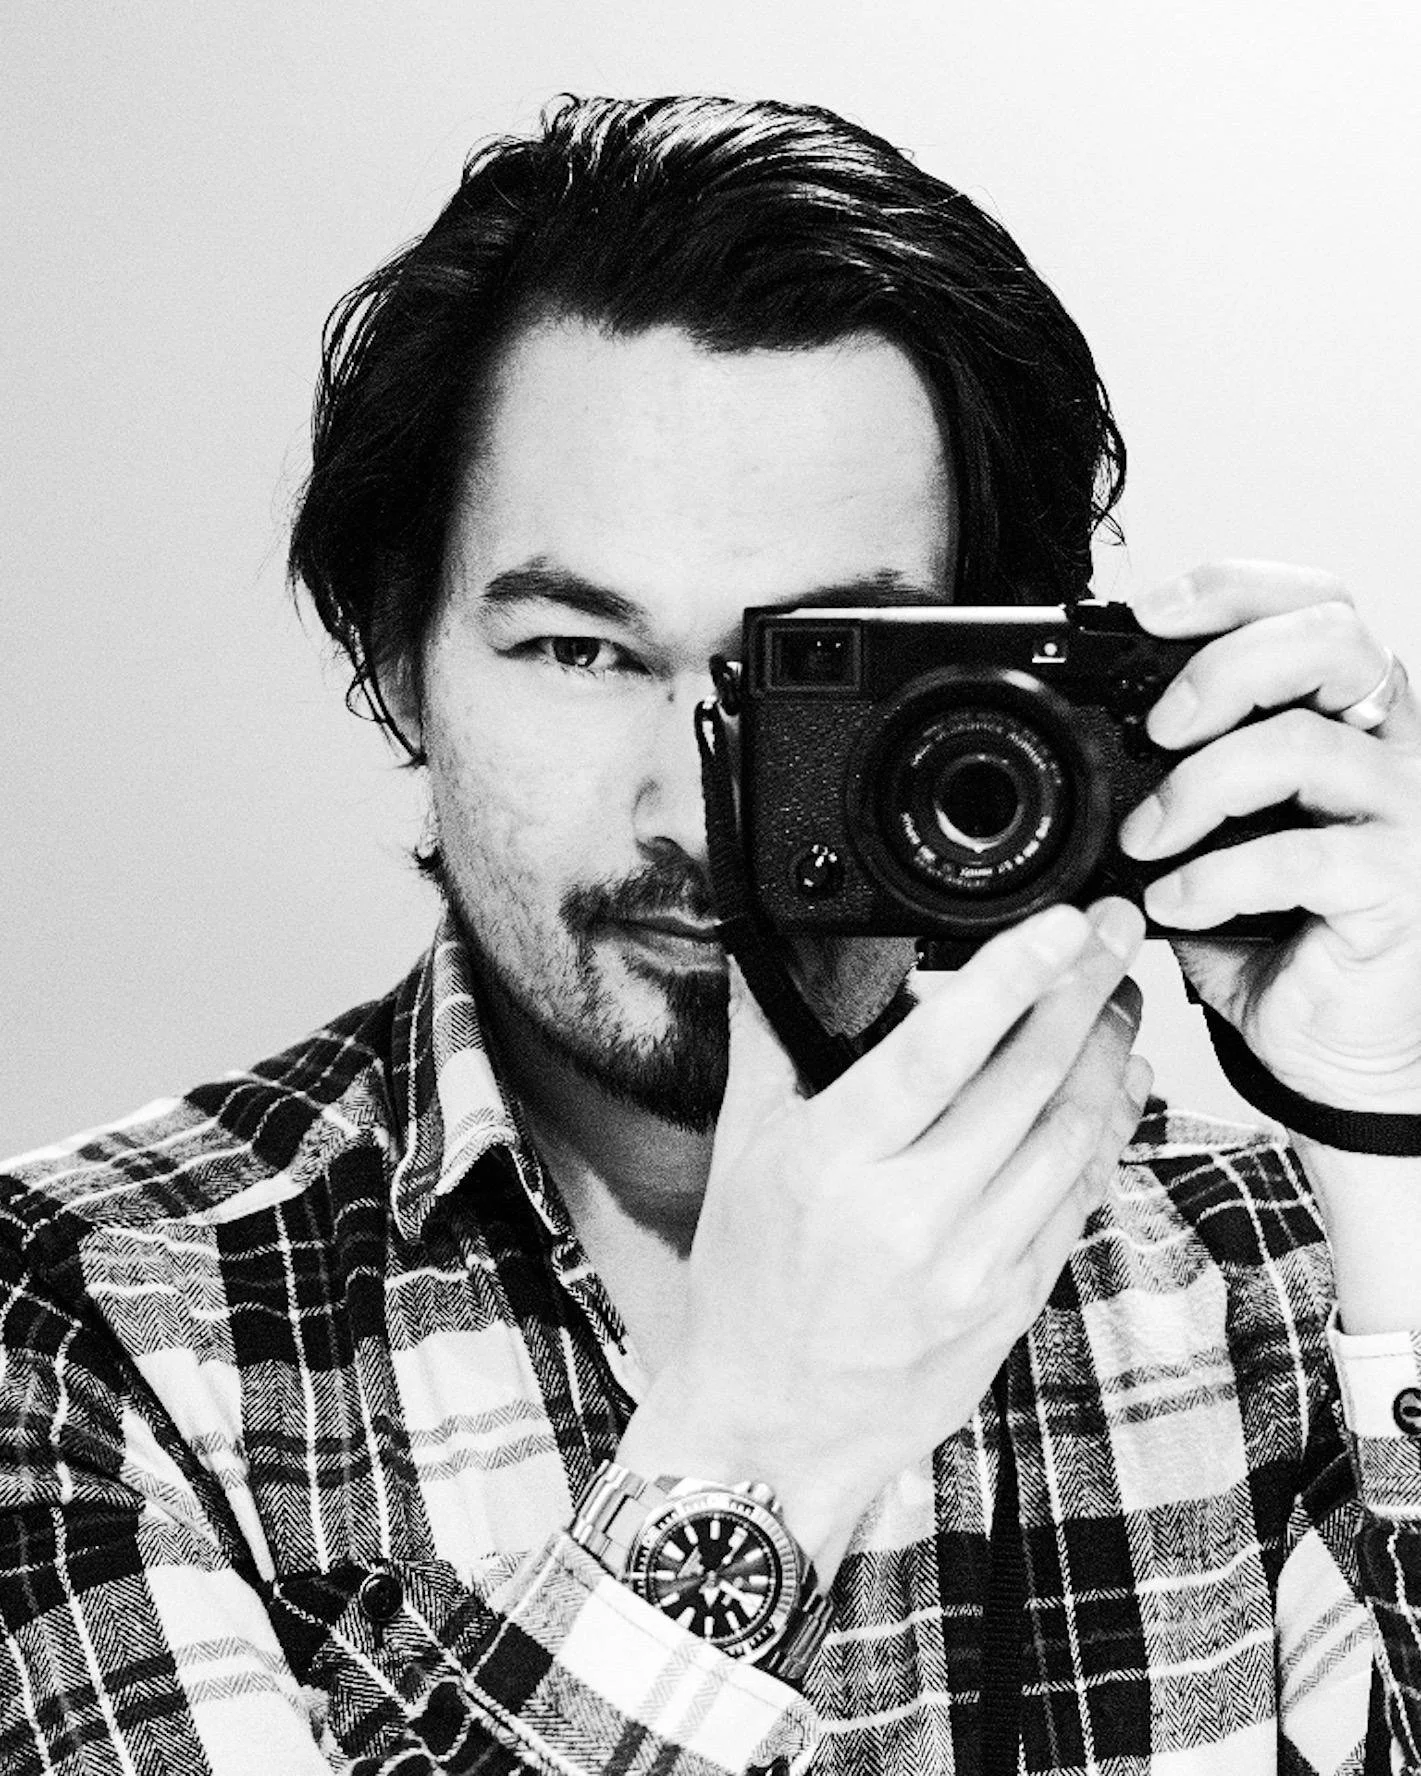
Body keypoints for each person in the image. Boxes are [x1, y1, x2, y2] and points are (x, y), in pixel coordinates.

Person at [2, 94, 1420, 1776]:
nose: (700, 800)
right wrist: (761, 1448)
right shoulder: (92, 1320)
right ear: (399, 659)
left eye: (819, 671)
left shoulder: (1265, 1250)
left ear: (1000, 664)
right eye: (579, 654)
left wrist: (1390, 1131)